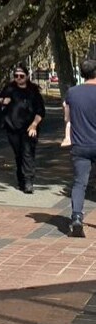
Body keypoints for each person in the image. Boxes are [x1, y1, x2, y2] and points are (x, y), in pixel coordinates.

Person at [0, 65, 45, 193]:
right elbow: (0, 100)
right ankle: (21, 180)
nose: (18, 78)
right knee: (19, 154)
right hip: (13, 129)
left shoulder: (33, 92)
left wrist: (34, 124)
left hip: (30, 128)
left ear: (27, 76)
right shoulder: (9, 89)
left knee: (27, 153)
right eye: (16, 76)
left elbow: (40, 111)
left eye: (21, 76)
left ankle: (28, 180)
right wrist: (3, 101)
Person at [63, 59, 96, 237]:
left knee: (79, 183)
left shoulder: (72, 93)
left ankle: (76, 217)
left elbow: (68, 118)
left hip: (81, 144)